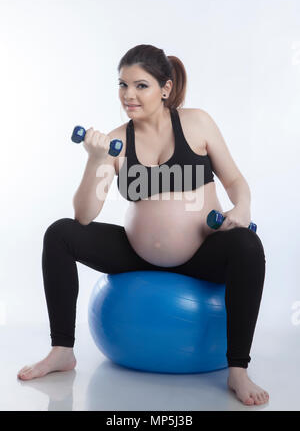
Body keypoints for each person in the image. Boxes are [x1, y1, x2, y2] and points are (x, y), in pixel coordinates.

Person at [17, 44, 269, 406]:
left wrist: (241, 209)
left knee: (247, 245)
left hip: (202, 255)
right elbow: (85, 215)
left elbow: (235, 182)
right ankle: (61, 351)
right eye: (122, 85)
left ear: (165, 88)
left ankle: (238, 370)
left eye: (140, 86)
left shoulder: (197, 122)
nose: (128, 95)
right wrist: (97, 159)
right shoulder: (117, 141)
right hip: (137, 255)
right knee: (60, 234)